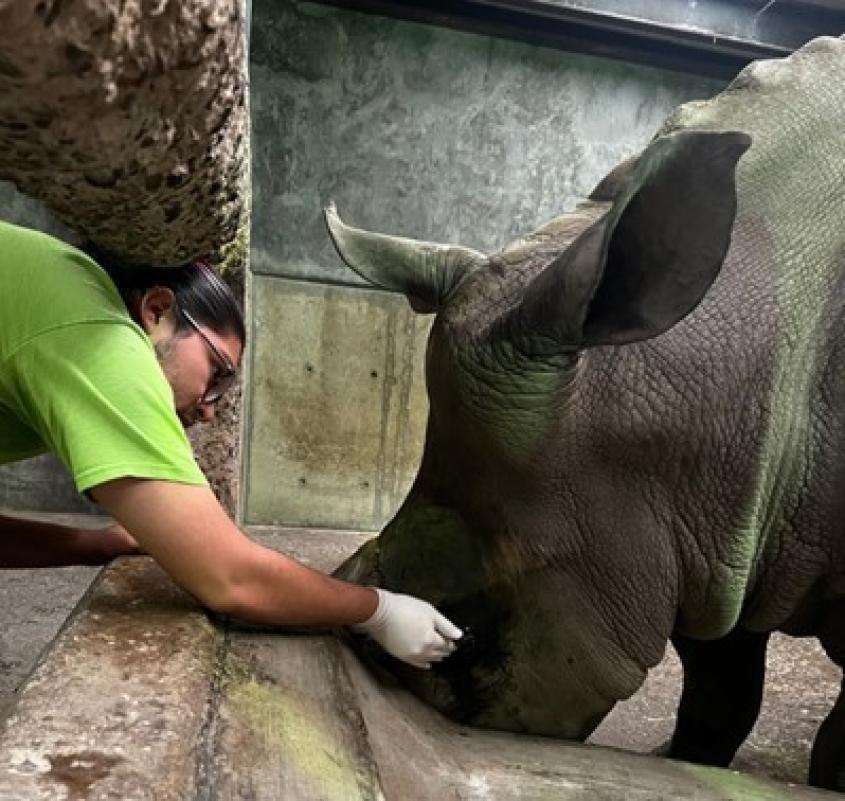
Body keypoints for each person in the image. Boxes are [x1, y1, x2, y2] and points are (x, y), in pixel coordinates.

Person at [0, 220, 462, 669]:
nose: (208, 409)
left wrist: (96, 546)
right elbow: (231, 579)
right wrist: (376, 610)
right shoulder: (98, 335)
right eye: (217, 372)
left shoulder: (58, 298)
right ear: (157, 311)